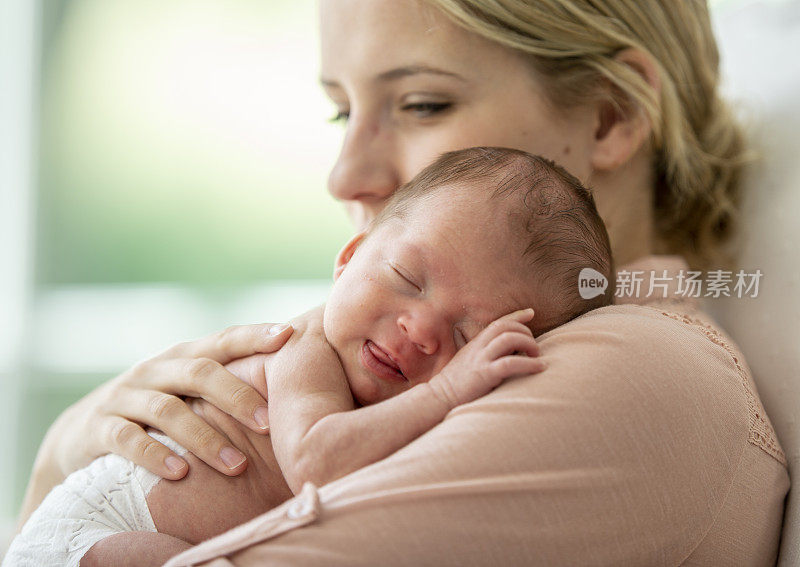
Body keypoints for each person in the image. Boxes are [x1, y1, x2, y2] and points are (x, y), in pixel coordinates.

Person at [18, 1, 790, 565]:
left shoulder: (634, 374)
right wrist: (66, 461)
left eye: (422, 102)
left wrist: (54, 483)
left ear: (610, 115)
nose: (346, 174)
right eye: (341, 112)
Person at [6, 148, 614, 566]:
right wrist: (446, 390)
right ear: (349, 258)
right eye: (406, 276)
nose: (420, 329)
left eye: (467, 335)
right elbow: (316, 461)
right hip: (89, 534)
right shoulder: (304, 350)